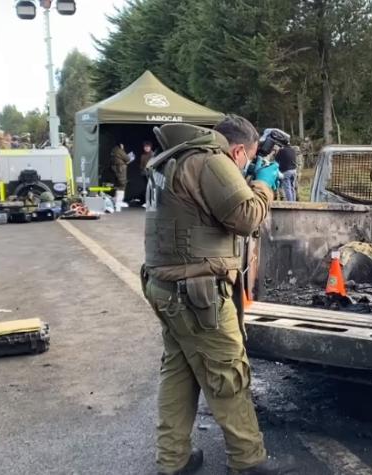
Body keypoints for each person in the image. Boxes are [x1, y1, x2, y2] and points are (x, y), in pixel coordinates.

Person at [142, 115, 296, 475]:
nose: (242, 164)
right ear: (238, 150)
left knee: (179, 373)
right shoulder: (211, 161)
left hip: (167, 287)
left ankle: (173, 459)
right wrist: (264, 184)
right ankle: (248, 462)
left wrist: (245, 177)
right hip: (198, 294)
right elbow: (245, 217)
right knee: (228, 373)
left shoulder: (176, 158)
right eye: (246, 158)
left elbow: (205, 206)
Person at [111, 143, 130, 211]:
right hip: (120, 169)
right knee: (122, 184)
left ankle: (116, 200)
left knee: (118, 184)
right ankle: (119, 202)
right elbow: (127, 158)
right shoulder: (119, 150)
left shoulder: (114, 150)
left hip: (116, 168)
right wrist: (123, 150)